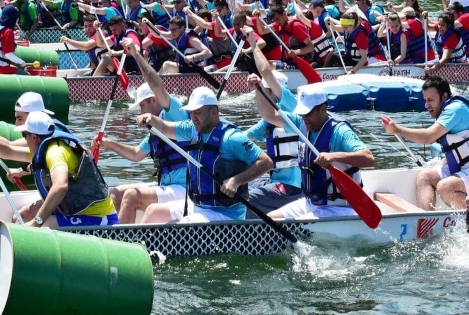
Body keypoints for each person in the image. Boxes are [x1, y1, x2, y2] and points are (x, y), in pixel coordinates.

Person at [136, 87, 274, 223]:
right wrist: (150, 118)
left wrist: (236, 181)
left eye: (198, 112)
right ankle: (138, 245)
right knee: (153, 211)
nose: (193, 118)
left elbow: (266, 162)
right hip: (198, 206)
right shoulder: (191, 129)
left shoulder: (231, 138)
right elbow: (164, 127)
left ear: (213, 112)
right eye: (191, 113)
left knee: (179, 227)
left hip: (226, 214)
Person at [95, 40, 189, 224]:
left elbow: (157, 85)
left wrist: (136, 55)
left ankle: (123, 247)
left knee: (131, 196)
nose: (140, 111)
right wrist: (108, 143)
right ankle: (107, 238)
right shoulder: (154, 130)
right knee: (117, 192)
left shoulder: (174, 114)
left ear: (154, 100)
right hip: (167, 186)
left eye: (142, 105)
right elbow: (137, 154)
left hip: (185, 187)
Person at [382, 76, 469, 210]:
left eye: (430, 100)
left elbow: (428, 137)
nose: (426, 105)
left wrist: (397, 129)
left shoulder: (456, 109)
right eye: (425, 100)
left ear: (445, 96)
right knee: (425, 177)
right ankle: (426, 224)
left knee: (445, 187)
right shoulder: (445, 110)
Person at [266, 85, 375, 220]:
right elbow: (268, 115)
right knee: (271, 218)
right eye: (302, 113)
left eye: (308, 113)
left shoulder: (340, 131)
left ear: (323, 109)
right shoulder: (302, 124)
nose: (304, 117)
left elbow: (368, 158)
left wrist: (333, 156)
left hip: (339, 207)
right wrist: (260, 90)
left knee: (299, 224)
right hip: (312, 202)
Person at [242, 32, 305, 214]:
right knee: (239, 185)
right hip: (276, 181)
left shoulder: (293, 107)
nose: (265, 93)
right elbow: (244, 137)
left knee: (246, 199)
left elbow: (266, 72)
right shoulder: (269, 120)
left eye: (268, 90)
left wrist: (253, 42)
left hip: (294, 186)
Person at [0, 4, 27, 74]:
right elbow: (8, 54)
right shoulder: (8, 31)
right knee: (25, 75)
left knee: (14, 67)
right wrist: (21, 62)